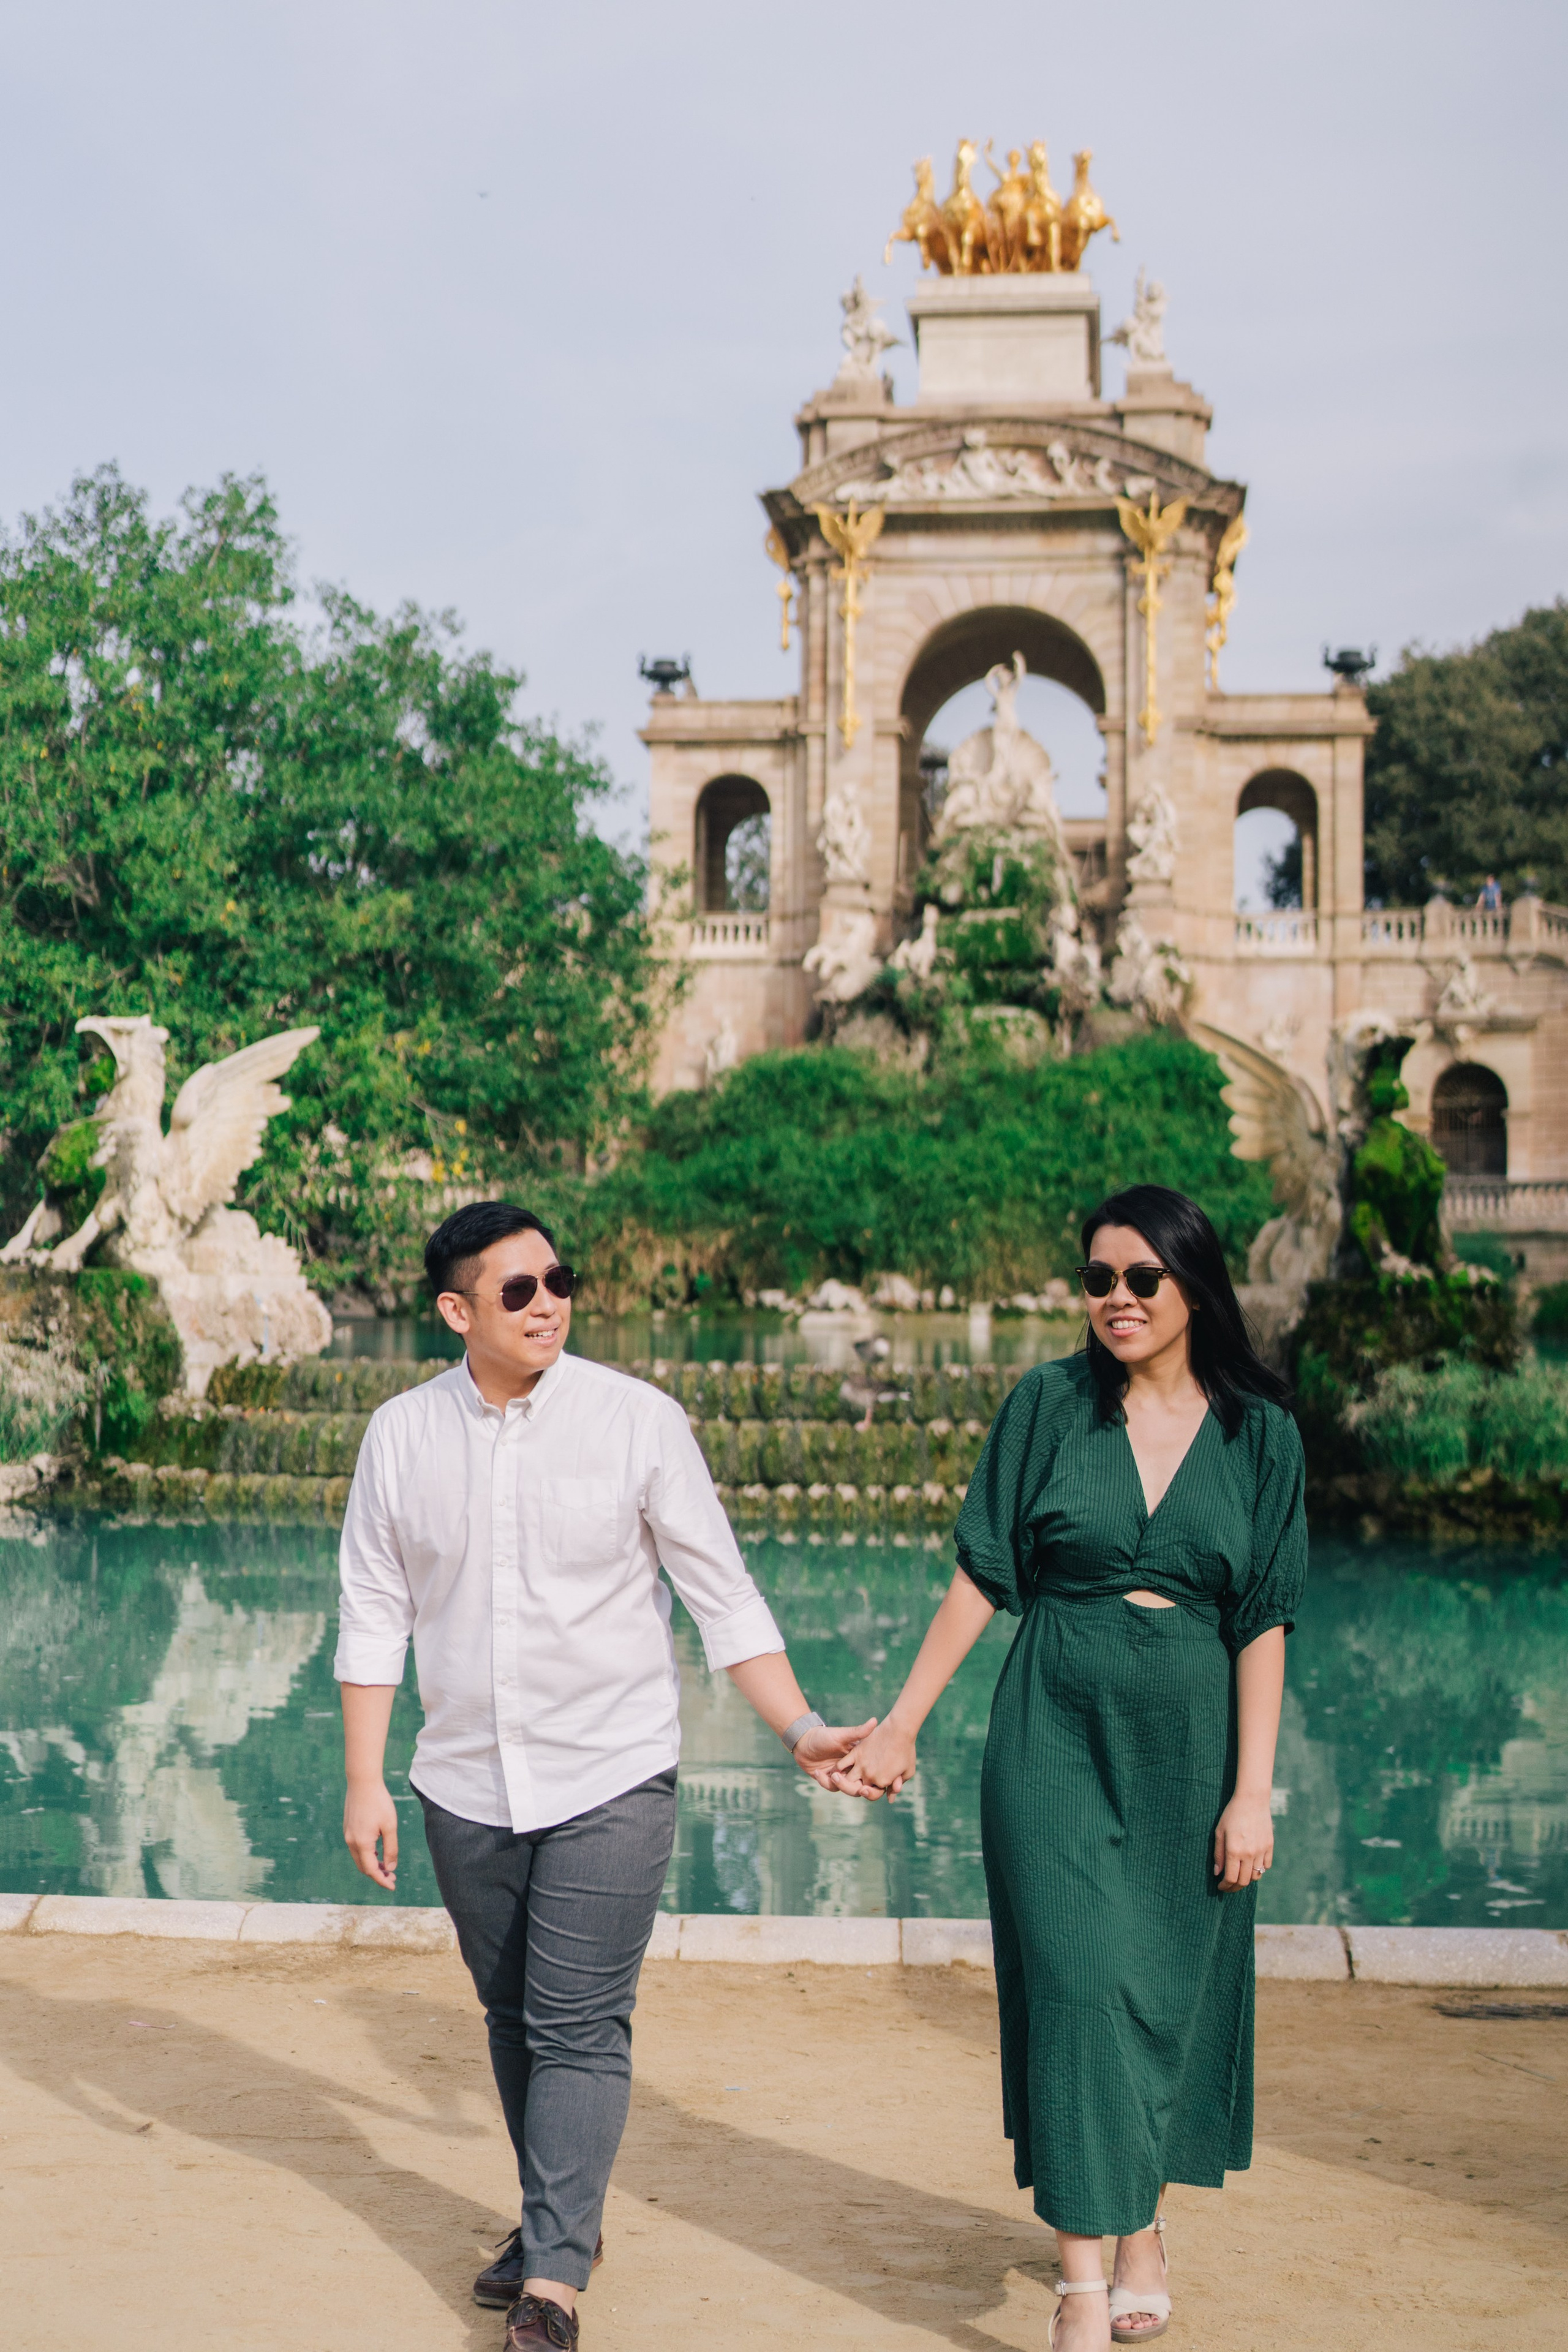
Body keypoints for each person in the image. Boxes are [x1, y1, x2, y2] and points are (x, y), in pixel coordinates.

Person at [335, 1201, 873, 2352]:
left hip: (611, 1773)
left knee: (579, 2021)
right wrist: (364, 1779)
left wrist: (798, 1727)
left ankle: (556, 2282)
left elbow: (720, 1592)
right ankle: (551, 2223)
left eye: (559, 1280)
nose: (549, 1303)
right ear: (455, 1311)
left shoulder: (638, 1420)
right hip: (462, 1782)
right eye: (518, 1290)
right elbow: (374, 1614)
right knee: (512, 2013)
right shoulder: (400, 1435)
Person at [839, 1185, 1305, 2350]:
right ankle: (1085, 2290)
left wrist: (1254, 1790)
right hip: (1049, 1732)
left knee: (1157, 1998)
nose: (1116, 1300)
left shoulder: (1264, 1435)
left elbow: (1264, 1619)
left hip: (1189, 1750)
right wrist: (899, 1725)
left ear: (1194, 1285)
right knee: (1078, 1993)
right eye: (1097, 1279)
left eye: (1140, 1278)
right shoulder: (1046, 1406)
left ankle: (1138, 2225)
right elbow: (983, 1576)